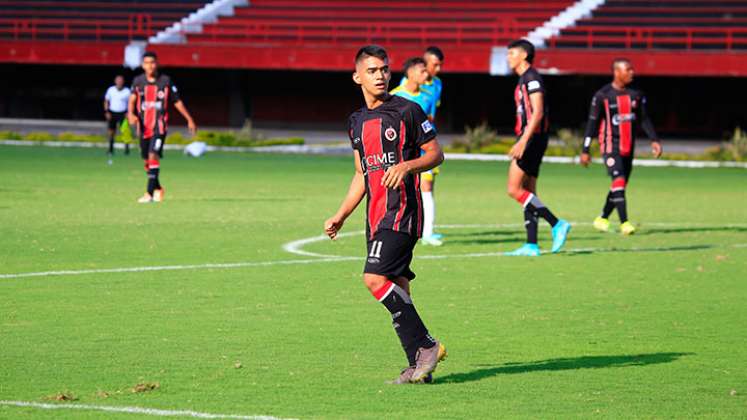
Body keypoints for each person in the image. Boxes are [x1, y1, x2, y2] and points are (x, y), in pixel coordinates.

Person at [324, 45, 447, 384]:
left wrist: (408, 166)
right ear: (357, 76)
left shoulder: (409, 110)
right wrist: (341, 214)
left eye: (384, 70)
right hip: (375, 215)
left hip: (403, 212)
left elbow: (436, 154)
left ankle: (427, 346)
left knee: (374, 279)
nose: (380, 76)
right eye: (372, 70)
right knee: (398, 284)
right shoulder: (356, 122)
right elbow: (361, 174)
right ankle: (417, 366)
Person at [504, 39, 571, 257]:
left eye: (512, 53)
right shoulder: (524, 78)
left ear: (524, 55)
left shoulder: (532, 77)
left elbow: (538, 111)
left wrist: (523, 140)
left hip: (532, 139)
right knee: (529, 192)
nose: (508, 57)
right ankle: (531, 244)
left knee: (514, 189)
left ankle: (556, 223)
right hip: (534, 139)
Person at [580, 58, 663, 235]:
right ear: (617, 72)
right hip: (610, 145)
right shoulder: (602, 95)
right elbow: (592, 124)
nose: (632, 73)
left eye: (632, 69)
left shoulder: (636, 95)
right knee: (618, 180)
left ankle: (602, 218)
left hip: (628, 146)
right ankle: (625, 223)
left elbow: (644, 118)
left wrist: (654, 140)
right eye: (628, 70)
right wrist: (585, 149)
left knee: (620, 185)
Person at [127, 51, 196, 203]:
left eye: (152, 62)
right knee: (146, 161)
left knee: (153, 156)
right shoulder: (138, 81)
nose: (150, 66)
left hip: (159, 128)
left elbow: (177, 101)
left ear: (157, 63)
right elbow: (132, 100)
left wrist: (189, 119)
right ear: (142, 65)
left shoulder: (165, 81)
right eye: (146, 63)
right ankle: (158, 188)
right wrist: (130, 114)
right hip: (143, 127)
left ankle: (149, 194)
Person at [391, 57, 442, 246]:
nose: (426, 74)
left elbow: (429, 123)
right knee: (401, 190)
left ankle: (427, 233)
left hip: (423, 153)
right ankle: (399, 228)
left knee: (427, 188)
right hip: (401, 154)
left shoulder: (428, 96)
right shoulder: (394, 96)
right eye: (422, 71)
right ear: (410, 73)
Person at [103, 75, 131, 161]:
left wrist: (129, 112)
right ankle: (111, 149)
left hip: (123, 113)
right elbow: (106, 101)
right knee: (111, 131)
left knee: (125, 131)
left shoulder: (127, 91)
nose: (119, 82)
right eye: (118, 80)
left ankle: (126, 149)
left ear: (123, 82)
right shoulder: (111, 90)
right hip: (112, 112)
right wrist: (107, 111)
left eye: (121, 80)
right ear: (115, 81)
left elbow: (131, 102)